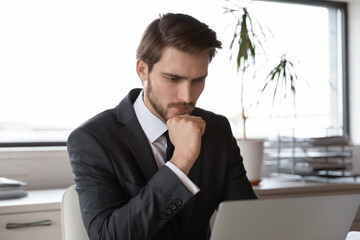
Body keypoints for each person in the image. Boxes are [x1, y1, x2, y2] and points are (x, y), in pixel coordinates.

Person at [67, 13, 257, 240]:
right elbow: (108, 236)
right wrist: (181, 162)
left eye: (198, 80)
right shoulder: (93, 139)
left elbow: (248, 219)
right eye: (173, 79)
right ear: (142, 70)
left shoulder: (216, 130)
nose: (187, 97)